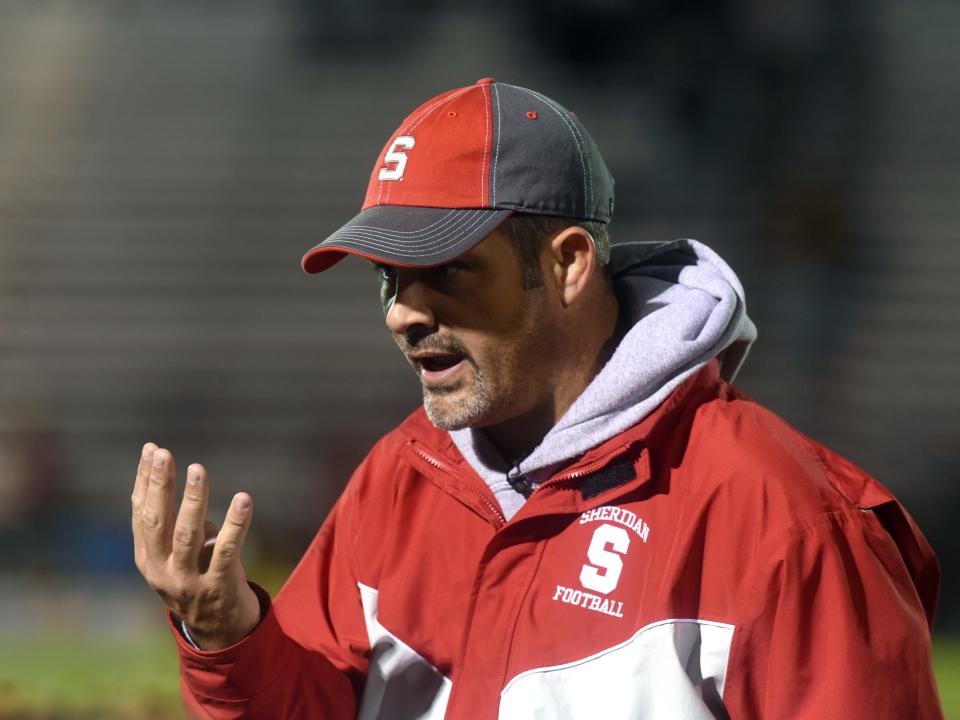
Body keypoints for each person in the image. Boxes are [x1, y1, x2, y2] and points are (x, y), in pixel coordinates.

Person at [130, 79, 944, 719]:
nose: (404, 313)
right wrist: (227, 633)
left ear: (568, 264)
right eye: (388, 277)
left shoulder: (784, 518)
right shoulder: (399, 476)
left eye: (446, 270)